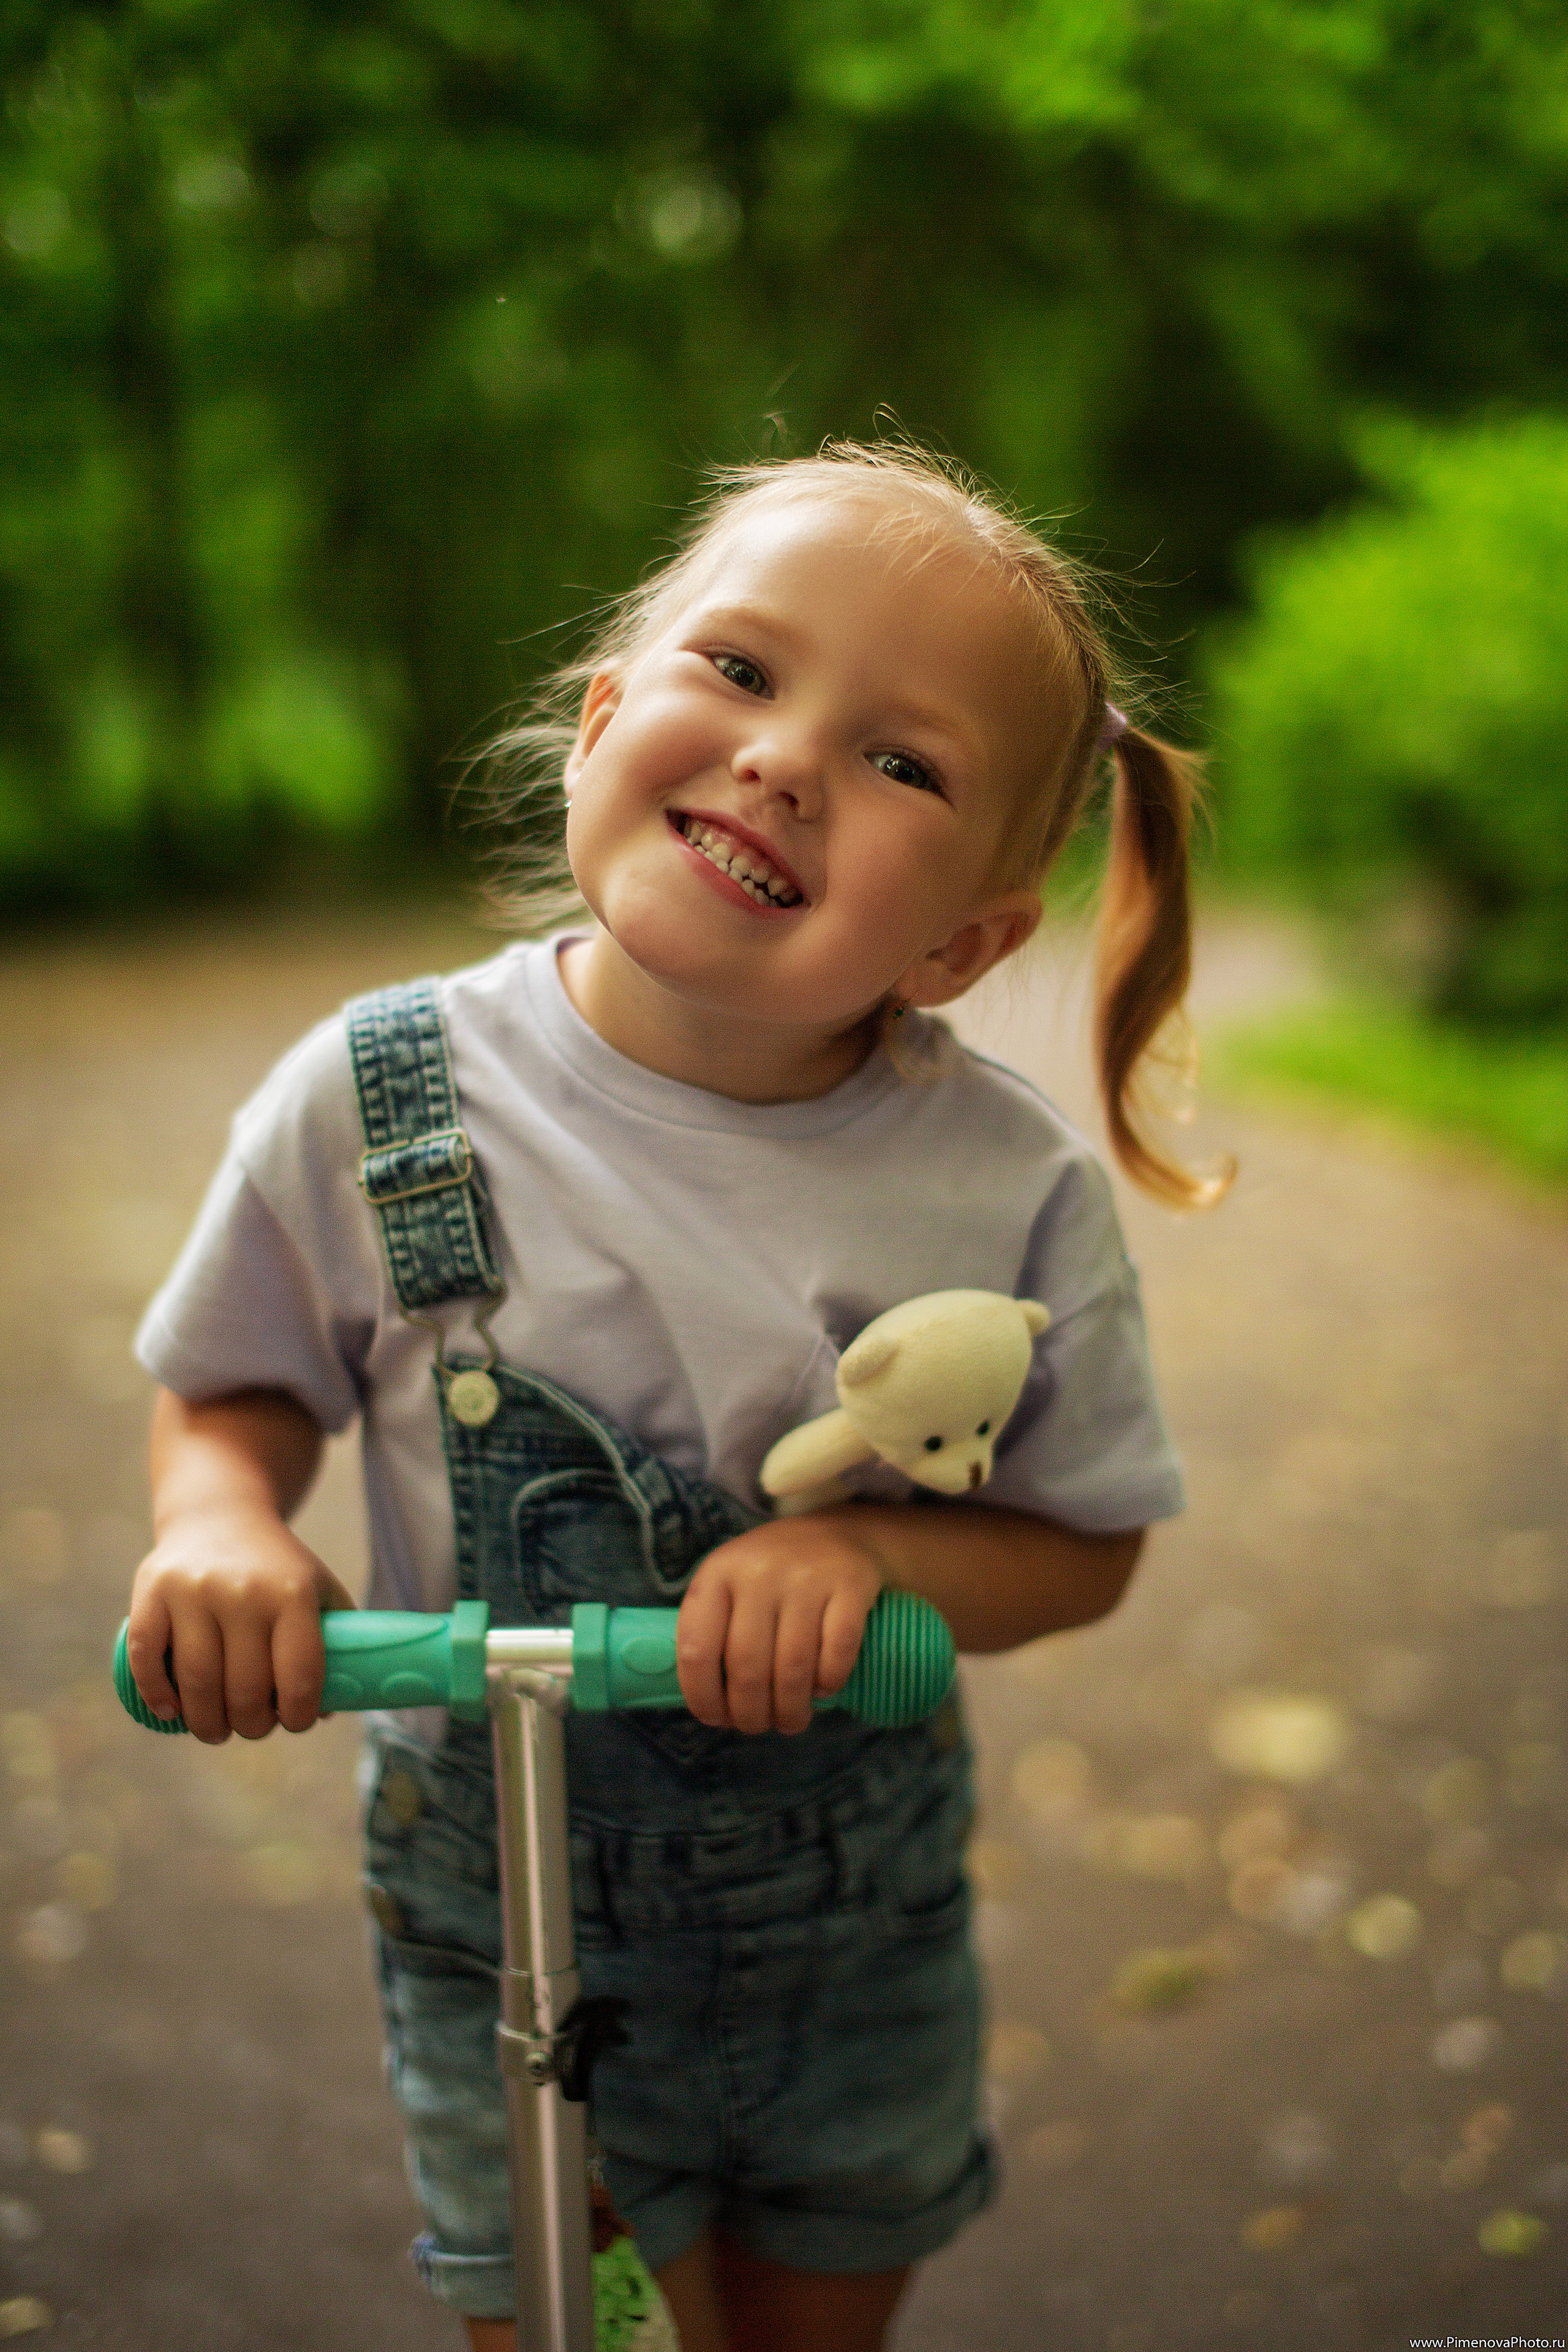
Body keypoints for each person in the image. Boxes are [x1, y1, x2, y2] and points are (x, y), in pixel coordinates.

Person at [125, 441, 1224, 2352]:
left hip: (845, 1941)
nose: (790, 755)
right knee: (584, 2330)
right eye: (741, 669)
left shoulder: (1000, 1186)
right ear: (601, 720)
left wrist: (883, 1557)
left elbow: (1086, 1548)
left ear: (967, 938)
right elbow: (231, 1385)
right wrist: (219, 1521)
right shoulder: (381, 1100)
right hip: (510, 1929)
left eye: (905, 762)